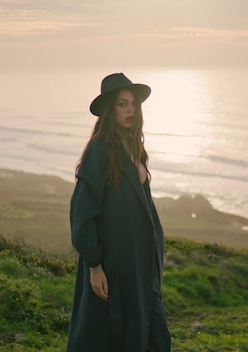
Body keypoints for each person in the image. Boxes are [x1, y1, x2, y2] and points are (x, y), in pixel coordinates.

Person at [67, 73, 171, 352]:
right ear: (109, 109)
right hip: (112, 265)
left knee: (152, 333)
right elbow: (82, 214)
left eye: (134, 104)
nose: (130, 110)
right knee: (108, 336)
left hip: (140, 264)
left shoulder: (135, 148)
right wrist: (94, 266)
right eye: (122, 104)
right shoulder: (100, 151)